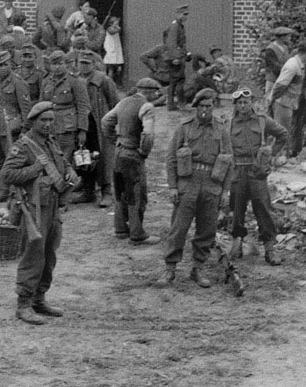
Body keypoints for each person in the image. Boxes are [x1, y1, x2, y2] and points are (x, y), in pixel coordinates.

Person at [0, 101, 80, 325]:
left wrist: (70, 170)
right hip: (34, 209)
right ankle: (23, 304)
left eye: (51, 120)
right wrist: (34, 169)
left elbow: (61, 161)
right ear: (33, 122)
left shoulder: (50, 142)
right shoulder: (24, 146)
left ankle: (39, 298)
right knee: (34, 254)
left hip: (52, 205)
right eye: (43, 121)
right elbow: (7, 175)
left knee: (49, 254)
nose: (48, 124)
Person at [159, 88, 234, 288]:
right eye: (201, 106)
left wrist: (226, 191)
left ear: (213, 107)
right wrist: (173, 187)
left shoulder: (221, 129)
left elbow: (229, 162)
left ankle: (197, 268)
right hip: (188, 183)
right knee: (178, 228)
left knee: (206, 230)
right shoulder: (184, 127)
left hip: (212, 185)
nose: (204, 110)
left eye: (208, 106)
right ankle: (170, 269)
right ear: (196, 107)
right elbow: (171, 159)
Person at [226, 88, 289, 265]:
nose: (243, 105)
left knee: (263, 208)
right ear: (235, 105)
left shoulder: (262, 121)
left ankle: (270, 248)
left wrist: (271, 153)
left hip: (257, 172)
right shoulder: (229, 123)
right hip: (238, 171)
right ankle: (237, 244)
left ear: (251, 102)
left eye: (246, 102)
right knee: (237, 210)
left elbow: (283, 135)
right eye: (239, 103)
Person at [101, 77, 164, 245]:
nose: (157, 95)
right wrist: (144, 151)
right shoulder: (147, 106)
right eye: (156, 92)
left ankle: (120, 229)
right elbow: (148, 133)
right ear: (149, 92)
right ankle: (137, 233)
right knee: (136, 194)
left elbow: (106, 121)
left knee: (121, 192)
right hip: (132, 155)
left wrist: (115, 141)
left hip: (119, 152)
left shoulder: (124, 102)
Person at [0, 50, 31, 203]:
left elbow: (25, 109)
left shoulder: (18, 82)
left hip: (13, 127)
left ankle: (17, 191)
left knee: (14, 160)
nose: (3, 68)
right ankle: (3, 190)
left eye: (5, 64)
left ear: (11, 64)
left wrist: (24, 129)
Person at [73, 51, 120, 207]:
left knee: (104, 159)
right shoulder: (75, 80)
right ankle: (88, 190)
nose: (84, 66)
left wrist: (113, 123)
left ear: (94, 64)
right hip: (83, 123)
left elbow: (114, 102)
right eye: (81, 62)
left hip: (100, 123)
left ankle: (107, 191)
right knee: (83, 156)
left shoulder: (104, 80)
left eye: (87, 63)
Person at [39, 49, 91, 168]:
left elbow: (83, 107)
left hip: (67, 128)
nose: (57, 67)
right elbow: (41, 105)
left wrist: (82, 130)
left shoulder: (75, 81)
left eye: (60, 64)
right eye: (54, 64)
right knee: (49, 160)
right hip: (49, 127)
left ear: (66, 64)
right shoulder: (46, 81)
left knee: (65, 162)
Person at [266, 41, 306, 158]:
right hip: (283, 103)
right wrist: (272, 99)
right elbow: (281, 85)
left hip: (289, 103)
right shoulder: (292, 65)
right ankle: (277, 158)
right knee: (281, 132)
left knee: (285, 131)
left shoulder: (299, 64)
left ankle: (281, 157)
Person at [162, 4, 190, 110]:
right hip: (175, 58)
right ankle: (181, 103)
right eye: (184, 14)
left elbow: (181, 43)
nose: (186, 16)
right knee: (179, 81)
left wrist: (186, 53)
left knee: (173, 81)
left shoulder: (179, 25)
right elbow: (172, 43)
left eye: (187, 14)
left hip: (176, 56)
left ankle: (171, 104)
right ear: (178, 14)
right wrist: (175, 58)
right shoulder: (175, 26)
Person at [263, 27, 294, 101]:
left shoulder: (285, 47)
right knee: (270, 100)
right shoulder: (270, 49)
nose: (290, 38)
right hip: (273, 80)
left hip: (283, 79)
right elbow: (274, 66)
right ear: (282, 37)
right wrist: (288, 71)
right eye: (288, 36)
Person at [102, 16, 124, 85]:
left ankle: (112, 83)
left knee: (115, 68)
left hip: (115, 51)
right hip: (110, 51)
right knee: (109, 69)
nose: (117, 25)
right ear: (111, 23)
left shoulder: (116, 29)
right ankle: (108, 83)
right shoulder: (109, 29)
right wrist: (118, 28)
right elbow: (113, 31)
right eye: (116, 24)